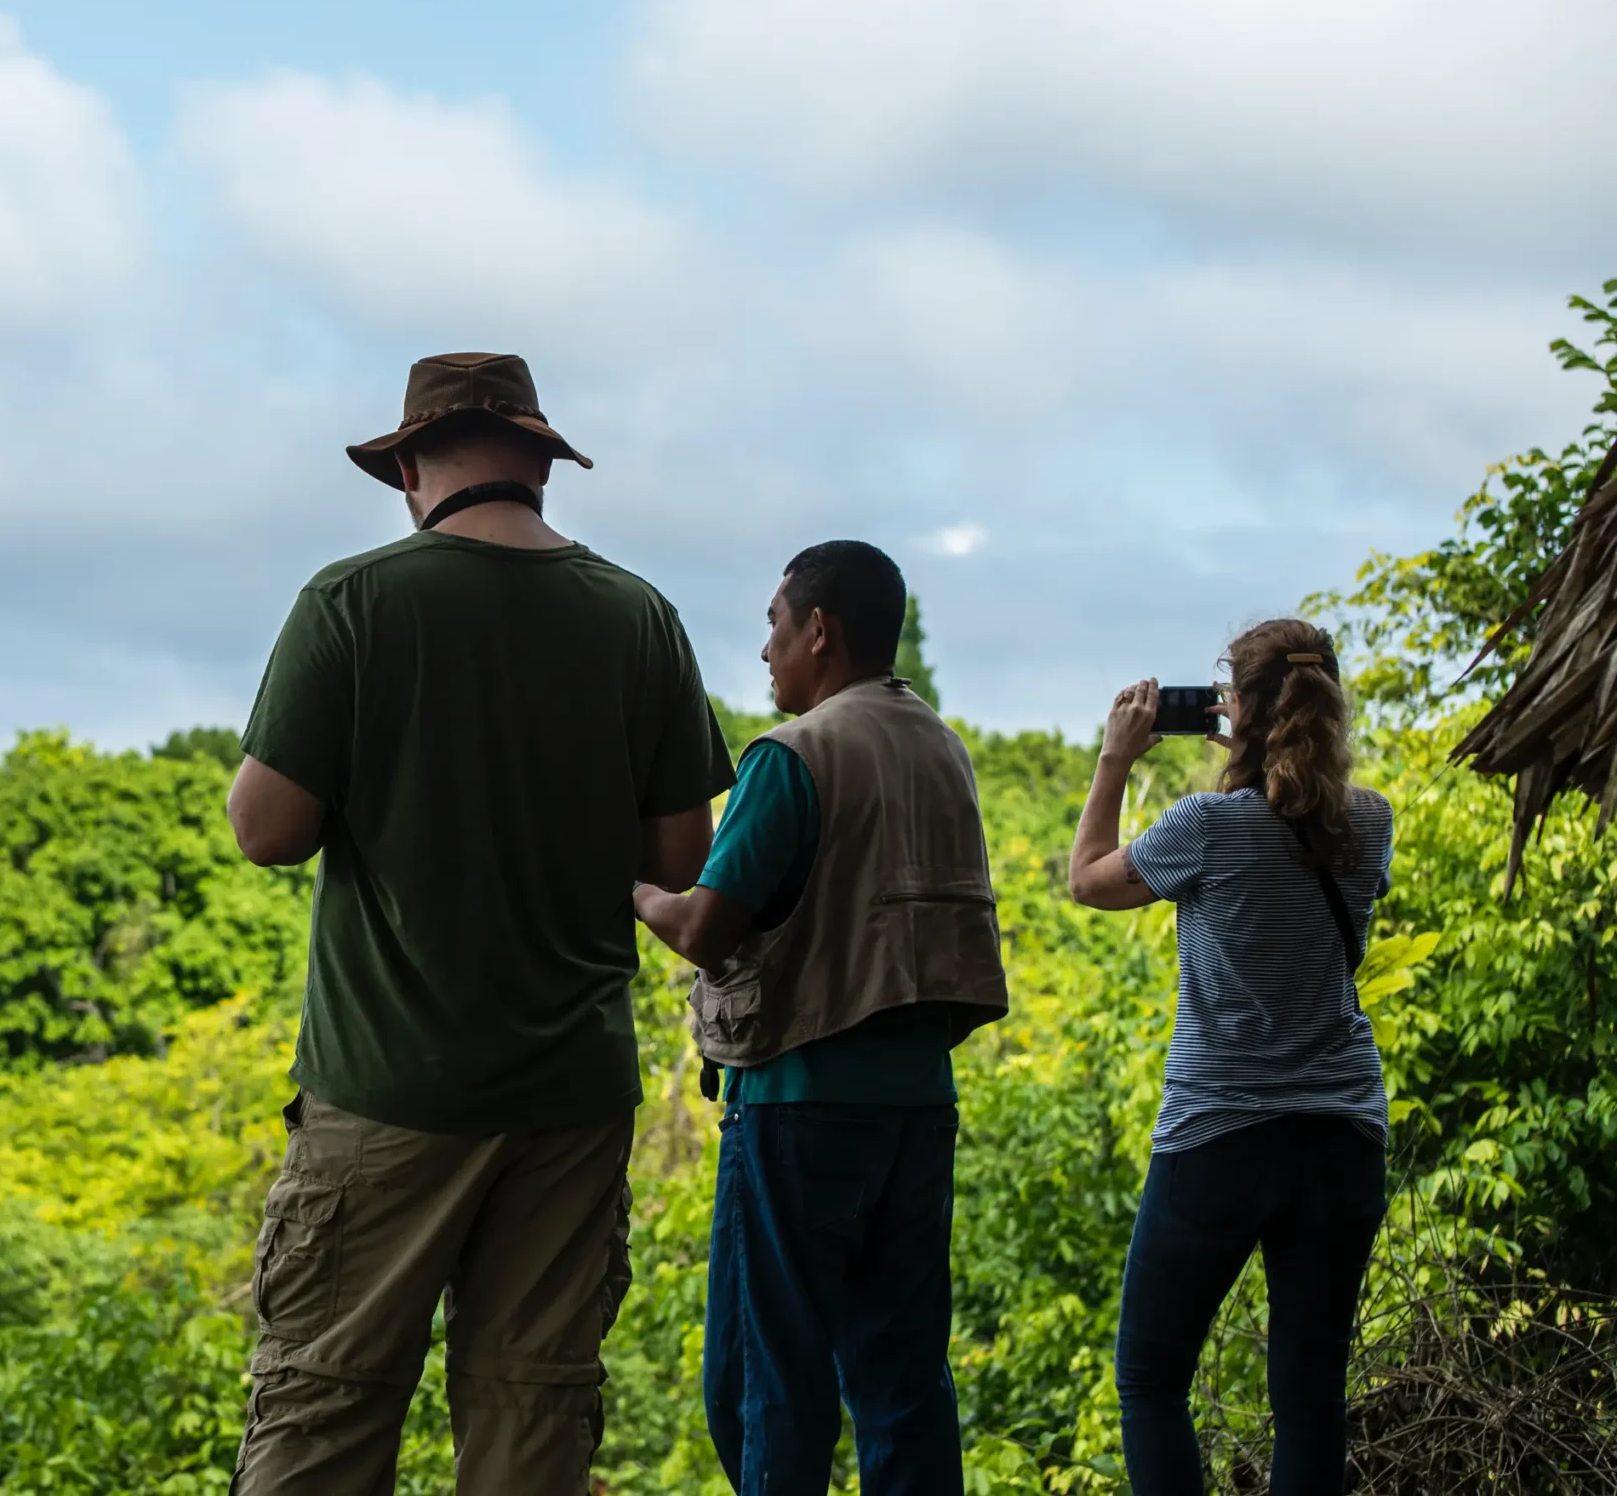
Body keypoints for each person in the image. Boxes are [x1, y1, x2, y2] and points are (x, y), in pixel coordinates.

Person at [223, 351, 736, 1495]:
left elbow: (266, 830)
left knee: (324, 1405)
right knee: (531, 1415)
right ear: (541, 462)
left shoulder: (353, 602)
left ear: (409, 464)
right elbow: (681, 857)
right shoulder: (638, 616)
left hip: (388, 1085)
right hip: (567, 1090)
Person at [635, 540, 1007, 1496]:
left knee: (768, 1387)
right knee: (904, 1383)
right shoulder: (942, 745)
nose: (765, 650)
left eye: (773, 624)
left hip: (797, 1104)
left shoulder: (793, 756)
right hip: (919, 1105)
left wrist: (629, 886)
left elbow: (706, 928)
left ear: (819, 630)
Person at [1068, 619, 1393, 1496]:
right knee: (1311, 1390)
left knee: (1151, 1379)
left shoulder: (1204, 826)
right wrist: (1261, 749)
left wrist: (1115, 760)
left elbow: (1088, 878)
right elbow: (1304, 828)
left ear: (1238, 707)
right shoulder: (1372, 822)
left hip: (1220, 1133)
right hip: (1343, 1133)